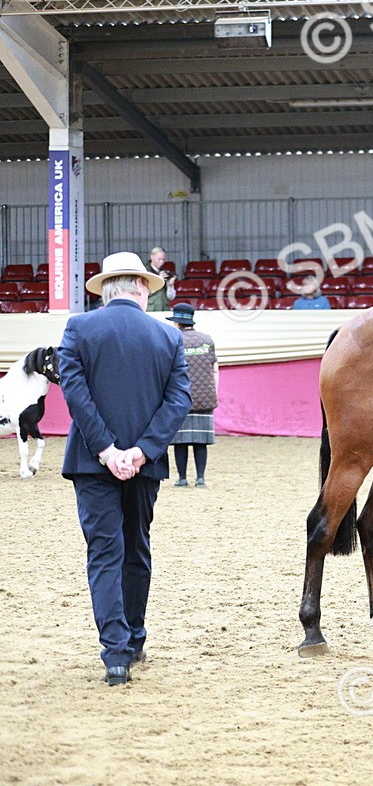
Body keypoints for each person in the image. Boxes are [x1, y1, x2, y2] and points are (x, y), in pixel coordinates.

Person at [58, 252, 191, 686]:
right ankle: (134, 639)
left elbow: (76, 395)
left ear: (107, 289)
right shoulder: (169, 336)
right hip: (145, 465)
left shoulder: (79, 328)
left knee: (104, 553)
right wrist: (141, 451)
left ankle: (115, 653)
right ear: (140, 287)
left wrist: (105, 450)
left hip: (92, 463)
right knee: (137, 549)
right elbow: (178, 402)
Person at [167, 304, 219, 488]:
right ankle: (200, 478)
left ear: (177, 322)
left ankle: (182, 478)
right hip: (204, 398)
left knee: (180, 441)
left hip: (180, 398)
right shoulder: (207, 340)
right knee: (200, 440)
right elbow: (215, 370)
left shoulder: (174, 339)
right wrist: (213, 393)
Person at [145, 247, 177, 312]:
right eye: (159, 259)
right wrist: (158, 280)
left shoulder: (164, 272)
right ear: (152, 257)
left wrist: (170, 285)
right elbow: (144, 292)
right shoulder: (145, 271)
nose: (161, 262)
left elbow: (171, 297)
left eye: (163, 259)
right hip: (150, 309)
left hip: (164, 309)